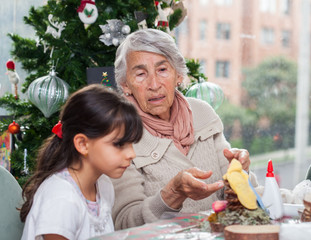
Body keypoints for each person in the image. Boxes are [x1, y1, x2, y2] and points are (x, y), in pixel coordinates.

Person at [111, 28, 259, 230]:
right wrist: (173, 193)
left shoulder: (201, 112)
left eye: (162, 70)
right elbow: (125, 222)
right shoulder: (119, 135)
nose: (154, 84)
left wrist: (240, 170)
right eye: (140, 74)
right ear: (125, 85)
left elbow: (233, 193)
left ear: (178, 75)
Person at [20, 84, 143, 240]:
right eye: (119, 144)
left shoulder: (104, 186)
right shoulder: (62, 198)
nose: (131, 154)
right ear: (83, 144)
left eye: (132, 143)